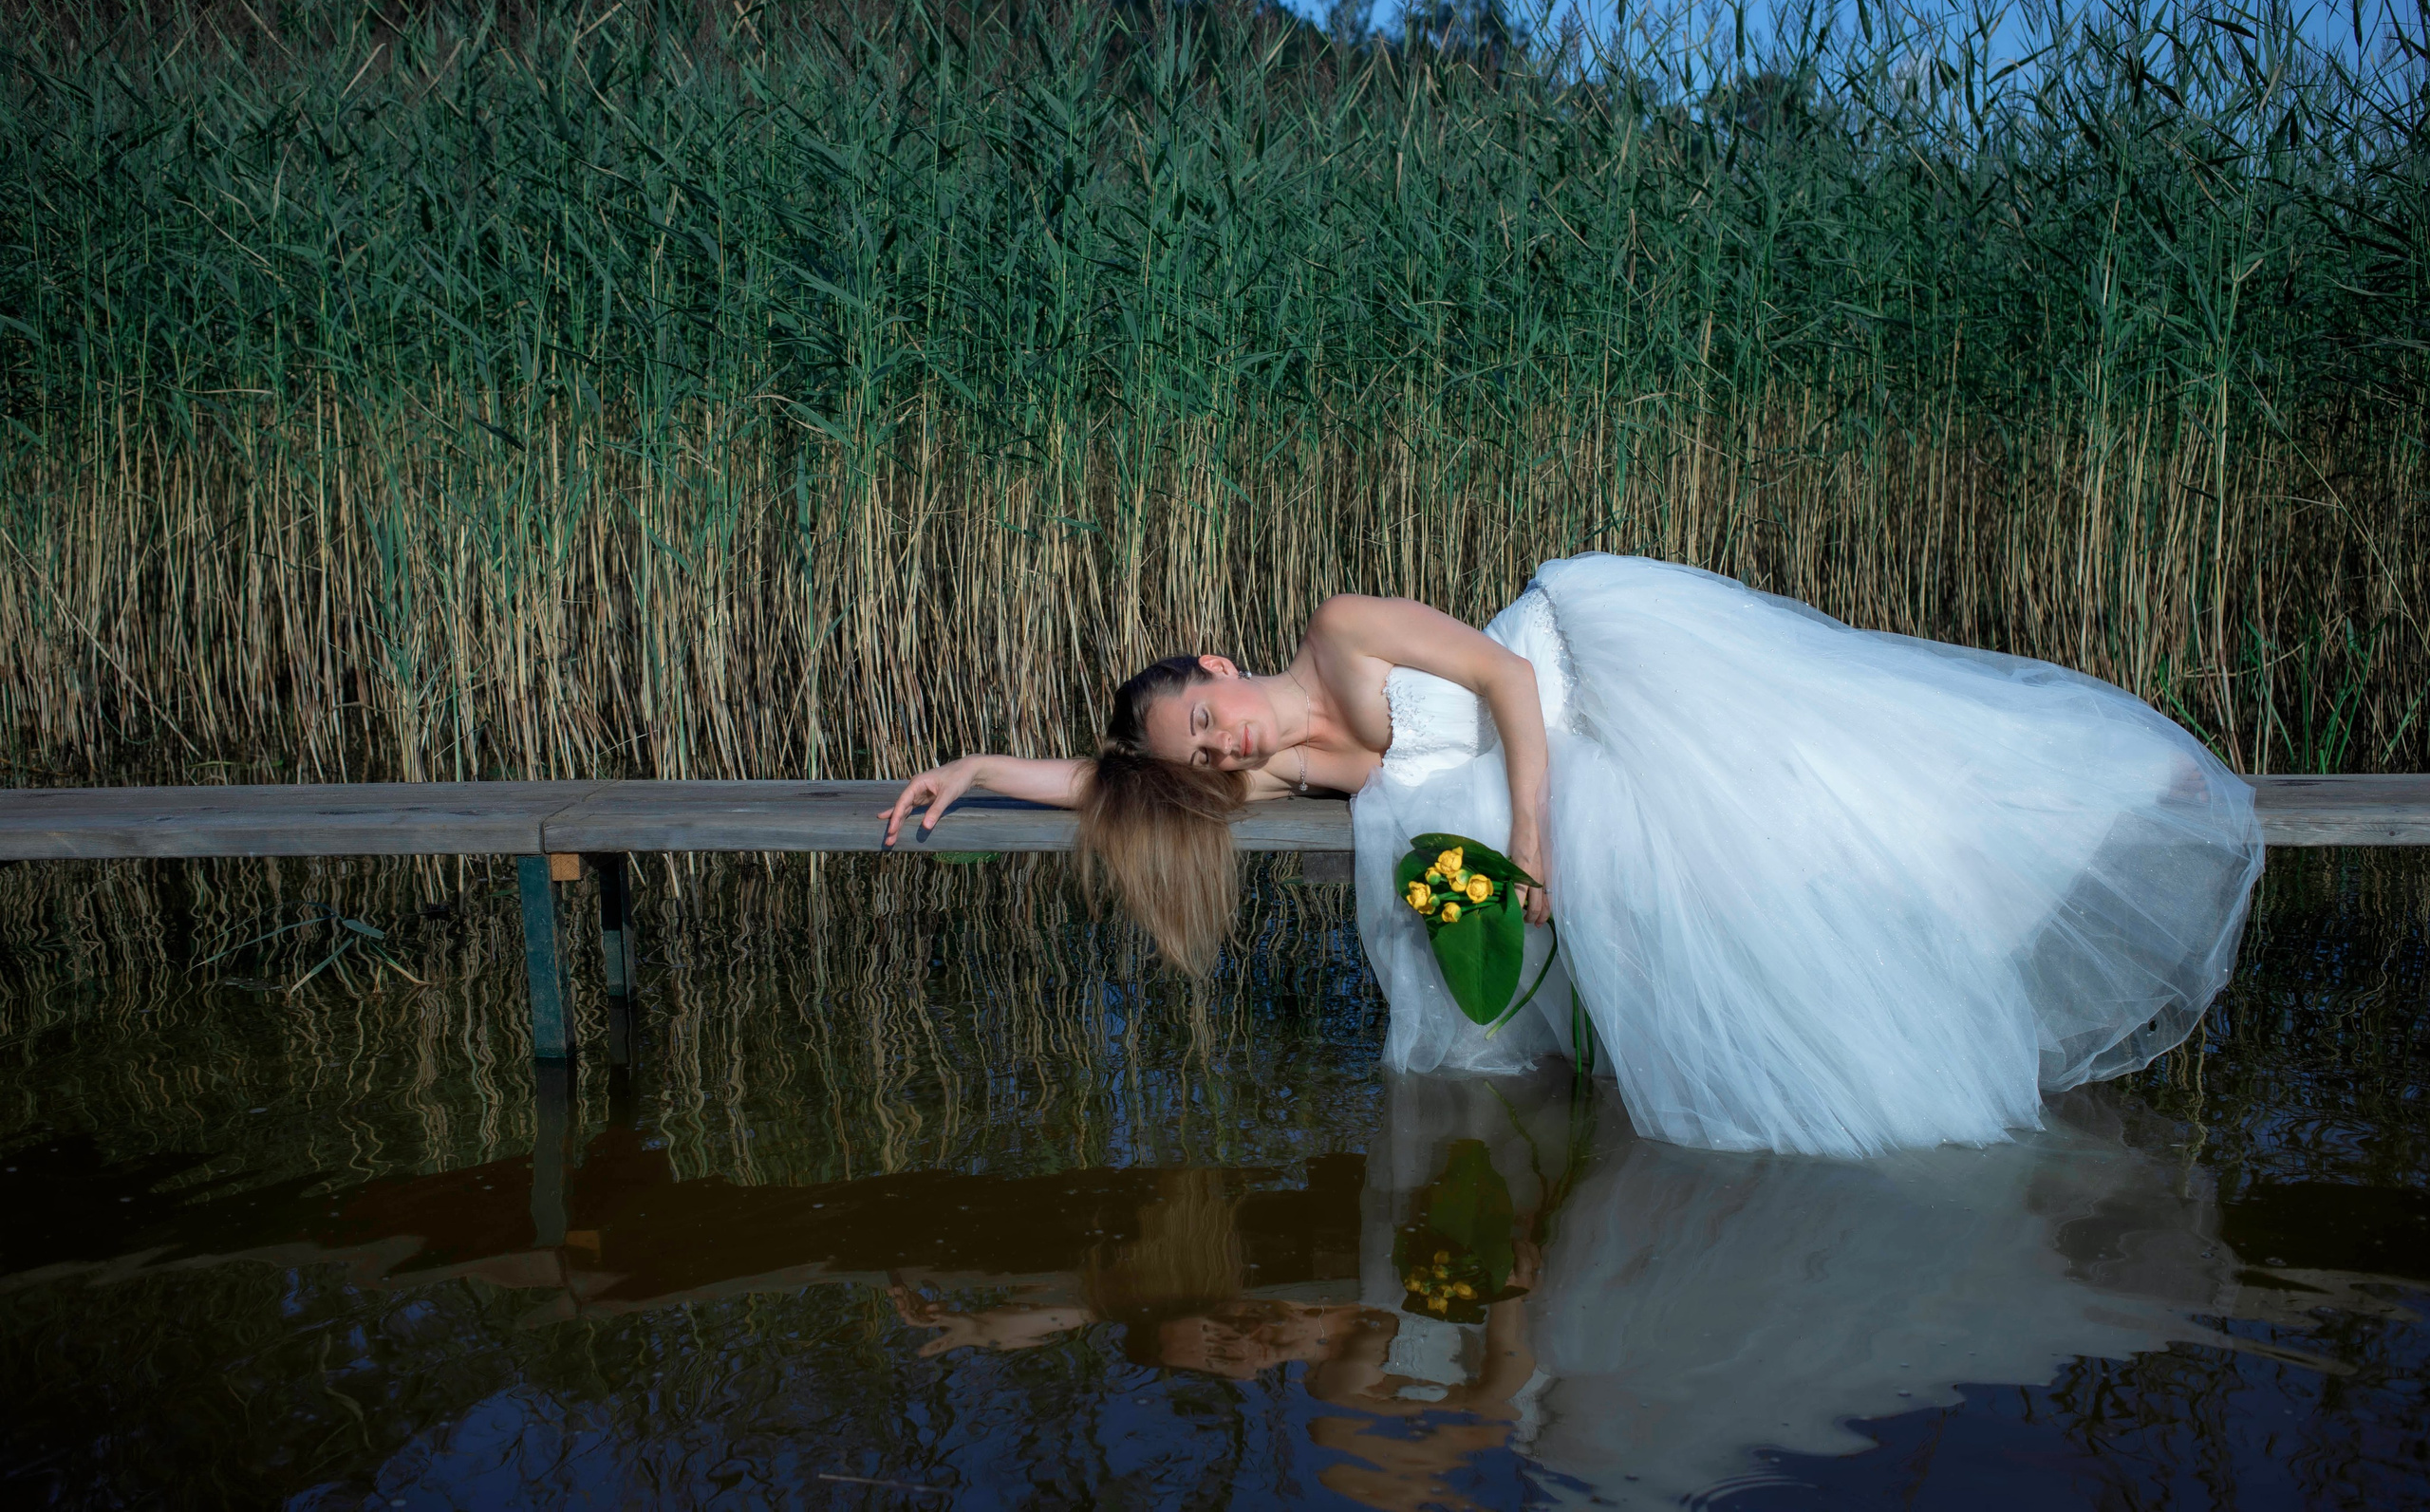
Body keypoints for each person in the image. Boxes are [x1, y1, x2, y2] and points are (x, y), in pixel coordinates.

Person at [882, 553, 2265, 1157]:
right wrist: (978, 770)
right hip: (1549, 745)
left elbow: (1501, 683)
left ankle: (2092, 799)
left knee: (1825, 772)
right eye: (1201, 757)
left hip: (1579, 666)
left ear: (1219, 665)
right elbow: (1098, 784)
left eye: (1206, 718)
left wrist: (1533, 833)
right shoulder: (1284, 769)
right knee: (1753, 846)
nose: (1221, 747)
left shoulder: (1342, 629)